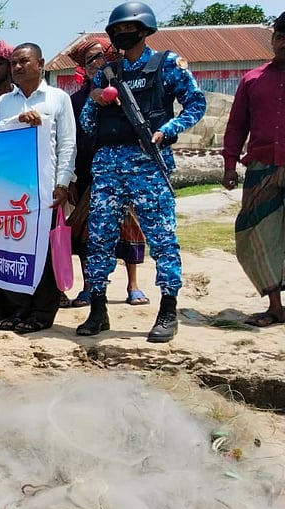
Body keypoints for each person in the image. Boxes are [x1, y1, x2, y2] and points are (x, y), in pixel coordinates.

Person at [76, 1, 207, 342]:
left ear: (144, 30)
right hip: (108, 167)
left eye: (129, 28)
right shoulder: (107, 72)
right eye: (117, 30)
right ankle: (98, 308)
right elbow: (87, 125)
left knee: (162, 239)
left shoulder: (167, 64)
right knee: (99, 239)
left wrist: (168, 130)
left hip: (147, 165)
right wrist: (96, 100)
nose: (123, 34)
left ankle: (168, 310)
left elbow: (196, 103)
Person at [0, 43, 77, 334]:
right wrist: (17, 122)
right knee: (14, 250)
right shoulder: (5, 102)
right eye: (13, 62)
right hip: (12, 190)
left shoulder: (58, 98)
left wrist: (62, 183)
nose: (17, 67)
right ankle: (19, 308)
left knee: (44, 253)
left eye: (23, 61)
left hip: (45, 190)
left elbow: (67, 144)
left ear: (40, 63)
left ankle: (42, 312)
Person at [65, 36, 150, 308]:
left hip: (125, 172)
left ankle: (133, 285)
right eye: (90, 59)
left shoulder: (127, 91)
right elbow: (70, 141)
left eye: (101, 56)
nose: (96, 63)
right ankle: (89, 286)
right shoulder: (75, 101)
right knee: (87, 232)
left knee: (129, 227)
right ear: (83, 66)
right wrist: (71, 179)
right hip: (88, 175)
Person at [222, 11, 285, 327]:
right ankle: (275, 307)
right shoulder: (252, 79)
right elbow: (236, 125)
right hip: (261, 168)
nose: (284, 44)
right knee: (255, 232)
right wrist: (229, 165)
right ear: (273, 39)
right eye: (280, 38)